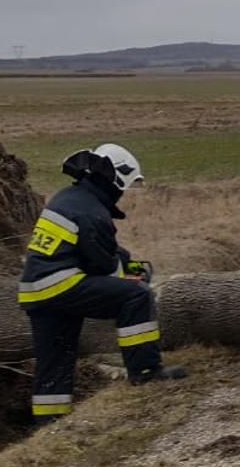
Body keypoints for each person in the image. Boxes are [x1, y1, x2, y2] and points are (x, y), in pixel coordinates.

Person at [18, 144, 185, 423]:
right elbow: (103, 264)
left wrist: (125, 261)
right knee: (136, 296)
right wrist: (131, 277)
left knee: (54, 362)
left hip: (35, 292)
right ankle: (145, 372)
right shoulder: (93, 212)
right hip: (60, 285)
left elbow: (97, 251)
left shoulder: (69, 198)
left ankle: (49, 425)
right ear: (116, 179)